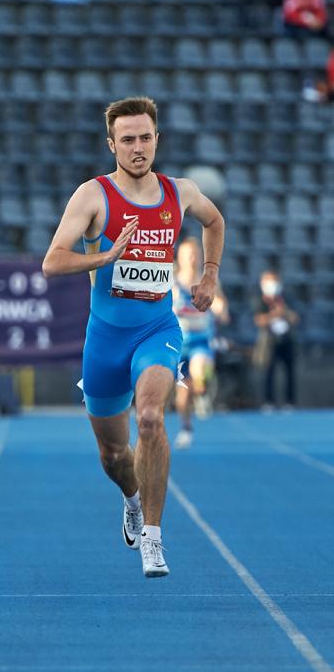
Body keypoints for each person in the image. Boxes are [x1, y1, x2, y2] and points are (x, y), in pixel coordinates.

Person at [42, 97, 225, 578]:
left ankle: (153, 538)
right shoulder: (92, 197)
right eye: (127, 140)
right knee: (114, 454)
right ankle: (131, 498)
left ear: (157, 138)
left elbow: (215, 220)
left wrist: (209, 275)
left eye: (145, 137)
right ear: (112, 145)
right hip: (104, 339)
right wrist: (100, 258)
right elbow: (52, 261)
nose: (138, 147)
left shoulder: (179, 193)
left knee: (149, 418)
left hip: (157, 329)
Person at [172, 237, 229, 449]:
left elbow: (222, 307)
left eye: (195, 254)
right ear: (180, 257)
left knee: (198, 371)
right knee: (182, 392)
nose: (192, 258)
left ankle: (203, 393)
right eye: (188, 254)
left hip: (201, 339)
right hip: (178, 342)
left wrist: (220, 307)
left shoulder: (208, 281)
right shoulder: (173, 282)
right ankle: (186, 428)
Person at [252, 270, 299, 411]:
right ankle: (268, 401)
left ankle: (290, 402)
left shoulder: (286, 298)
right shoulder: (260, 300)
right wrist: (274, 314)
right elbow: (259, 320)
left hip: (286, 339)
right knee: (268, 373)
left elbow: (295, 318)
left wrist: (284, 312)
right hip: (269, 342)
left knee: (289, 372)